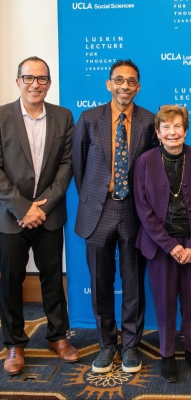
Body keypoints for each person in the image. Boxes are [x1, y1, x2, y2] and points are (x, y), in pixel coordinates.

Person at [72, 59, 157, 374]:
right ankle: (107, 344)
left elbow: (152, 169)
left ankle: (131, 346)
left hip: (134, 212)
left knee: (133, 280)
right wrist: (96, 197)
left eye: (131, 81)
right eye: (119, 80)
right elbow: (79, 168)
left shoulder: (149, 121)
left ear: (138, 87)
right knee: (100, 281)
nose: (125, 86)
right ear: (109, 84)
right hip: (98, 210)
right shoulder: (89, 118)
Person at [0, 56, 79, 375]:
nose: (35, 84)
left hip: (49, 215)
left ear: (49, 82)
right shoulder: (2, 116)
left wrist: (42, 207)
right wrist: (22, 207)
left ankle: (58, 337)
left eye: (42, 79)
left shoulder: (63, 116)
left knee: (51, 278)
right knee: (10, 282)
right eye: (29, 78)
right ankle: (14, 344)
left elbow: (67, 165)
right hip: (10, 216)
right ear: (18, 81)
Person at [134, 105, 191, 383]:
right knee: (165, 303)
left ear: (186, 130)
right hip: (160, 247)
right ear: (157, 132)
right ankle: (167, 355)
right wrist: (171, 246)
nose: (172, 132)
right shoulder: (144, 161)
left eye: (177, 126)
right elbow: (143, 209)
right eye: (166, 127)